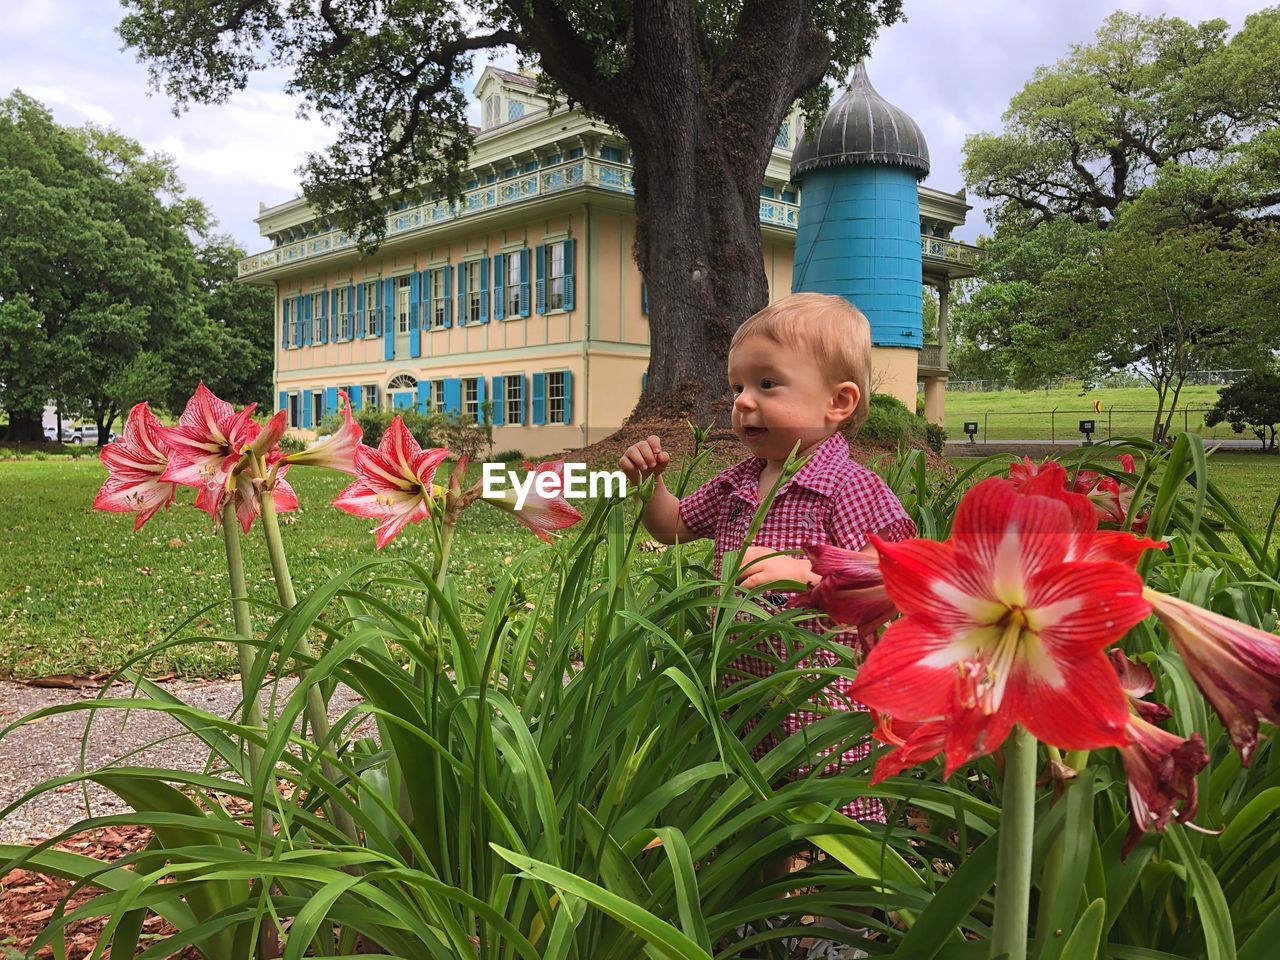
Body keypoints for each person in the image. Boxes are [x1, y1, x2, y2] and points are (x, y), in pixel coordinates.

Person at [619, 292, 916, 957]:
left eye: (767, 384)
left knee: (837, 820)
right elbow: (670, 529)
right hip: (747, 698)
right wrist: (649, 489)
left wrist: (808, 575)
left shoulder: (854, 490)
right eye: (737, 387)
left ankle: (842, 931)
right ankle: (762, 924)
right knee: (754, 817)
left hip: (825, 704)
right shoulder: (736, 484)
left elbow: (903, 579)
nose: (743, 401)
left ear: (836, 403)